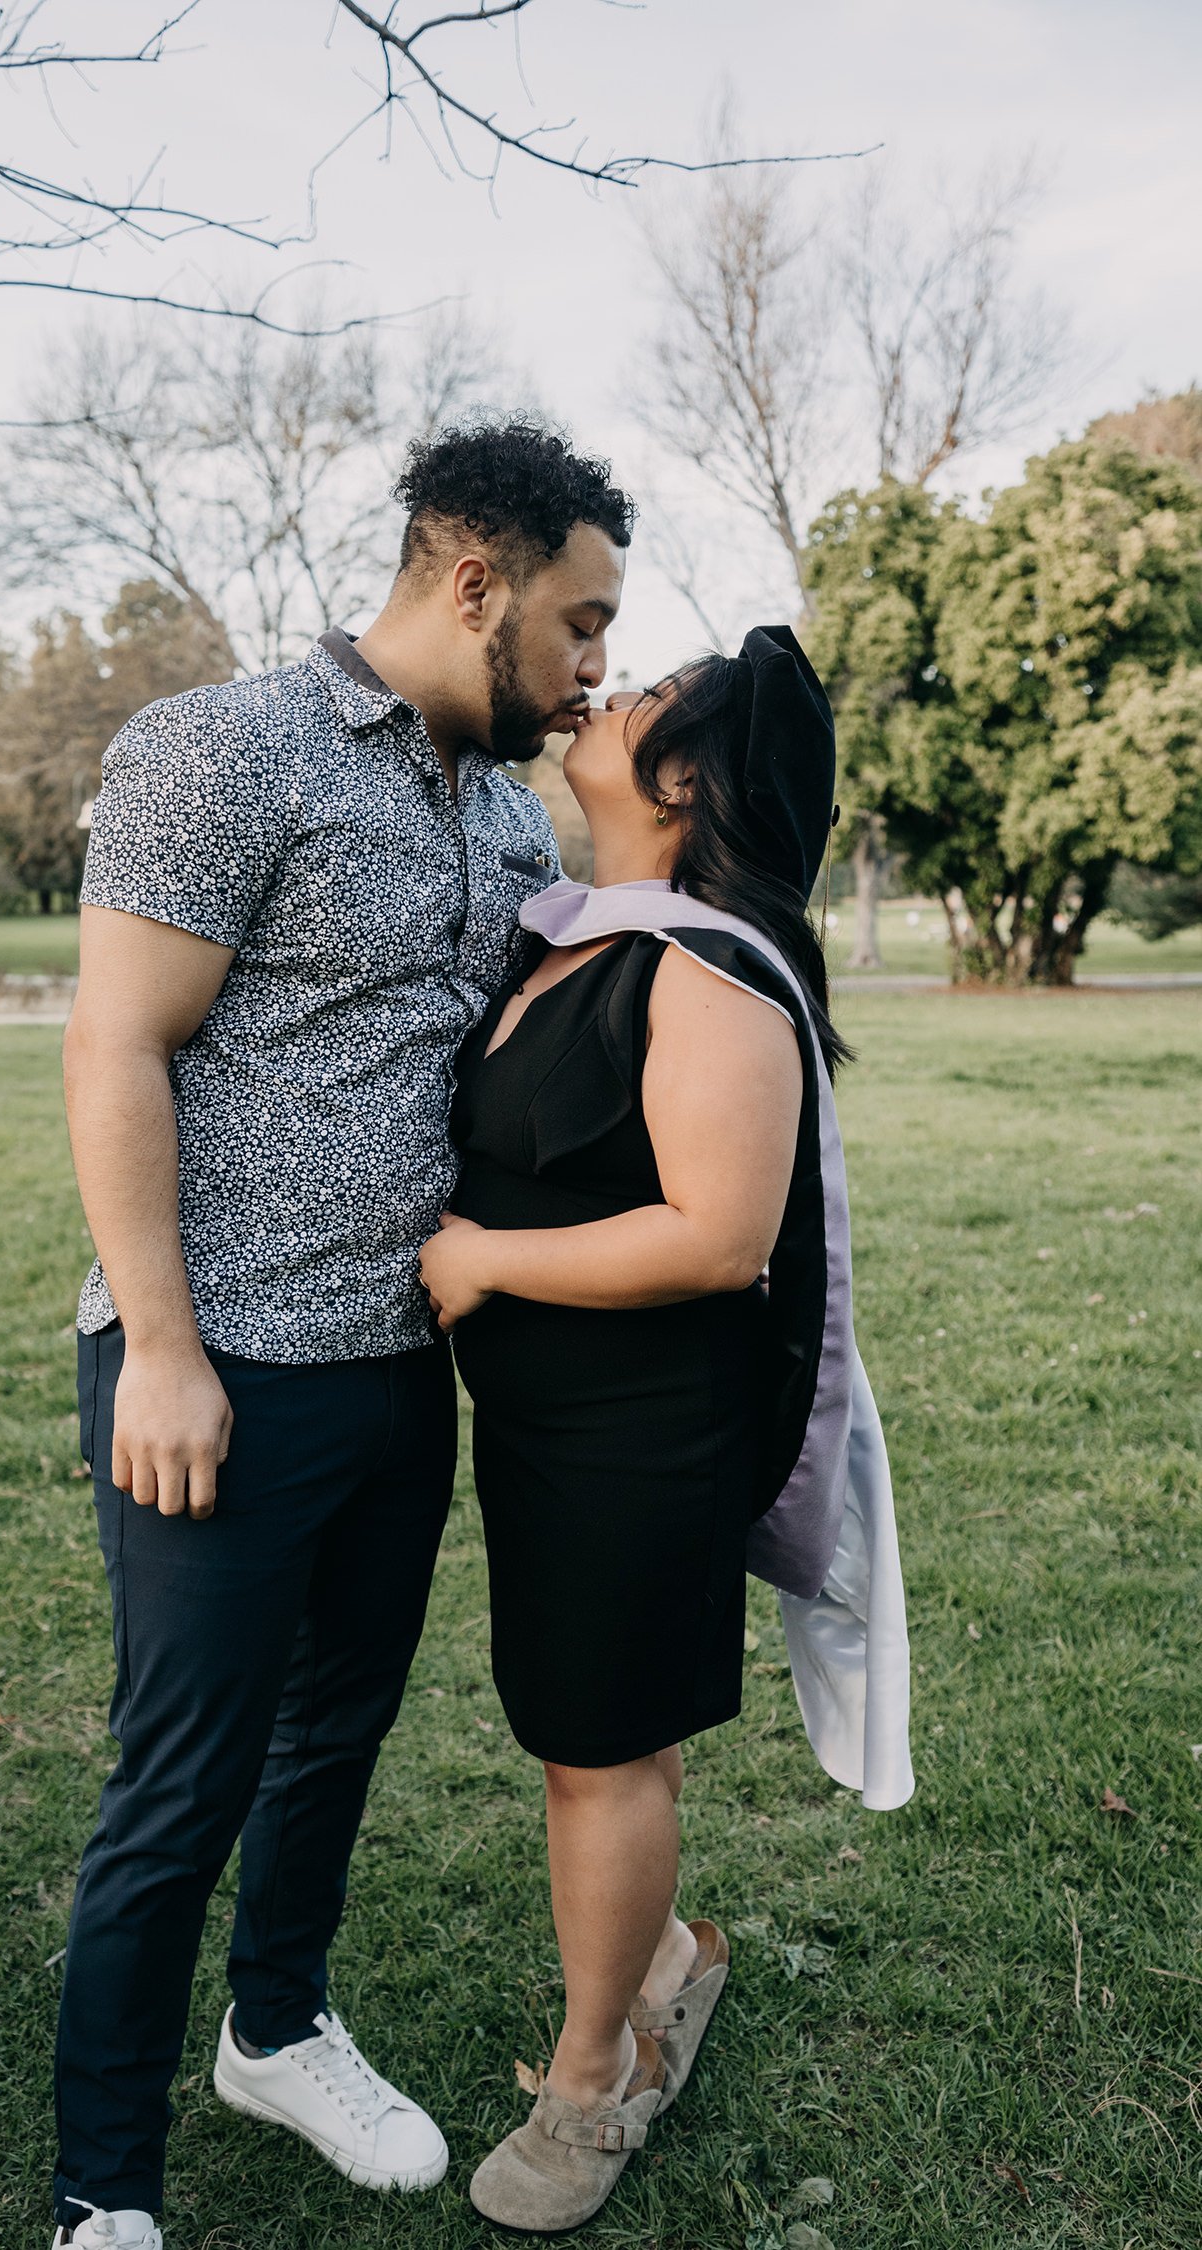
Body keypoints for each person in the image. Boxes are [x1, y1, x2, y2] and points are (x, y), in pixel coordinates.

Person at [51, 418, 634, 2248]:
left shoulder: (501, 803)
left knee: (337, 1735)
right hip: (213, 1370)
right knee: (184, 1776)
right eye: (581, 621)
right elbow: (115, 1045)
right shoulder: (226, 748)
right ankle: (100, 2189)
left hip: (402, 1376)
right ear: (477, 583)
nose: (595, 664)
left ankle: (279, 2024)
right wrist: (160, 1341)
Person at [419, 629, 912, 2234]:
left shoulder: (706, 968)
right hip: (554, 1429)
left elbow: (717, 1236)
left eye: (647, 700)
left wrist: (487, 1257)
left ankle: (596, 2072)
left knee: (599, 1746)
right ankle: (674, 1955)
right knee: (576, 1727)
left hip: (646, 1436)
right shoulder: (572, 938)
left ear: (686, 779)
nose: (607, 693)